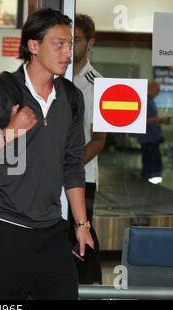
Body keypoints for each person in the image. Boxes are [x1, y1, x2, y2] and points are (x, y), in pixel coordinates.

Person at [0, 8, 93, 300]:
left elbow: (72, 166)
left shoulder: (70, 97)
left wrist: (81, 225)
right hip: (4, 230)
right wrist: (10, 132)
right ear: (33, 46)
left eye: (70, 44)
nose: (68, 52)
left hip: (52, 229)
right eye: (59, 43)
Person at [67, 13, 107, 284]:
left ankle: (89, 287)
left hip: (82, 176)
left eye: (77, 41)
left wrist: (67, 167)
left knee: (81, 234)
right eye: (67, 41)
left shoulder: (99, 85)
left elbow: (98, 140)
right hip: (55, 175)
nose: (71, 47)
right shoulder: (57, 77)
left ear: (90, 43)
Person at [137, 80, 171, 183]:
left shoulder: (150, 100)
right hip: (147, 138)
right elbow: (142, 120)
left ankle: (152, 181)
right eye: (157, 91)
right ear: (150, 88)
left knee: (153, 160)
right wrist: (160, 120)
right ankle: (147, 182)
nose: (158, 94)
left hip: (153, 138)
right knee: (150, 161)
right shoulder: (145, 101)